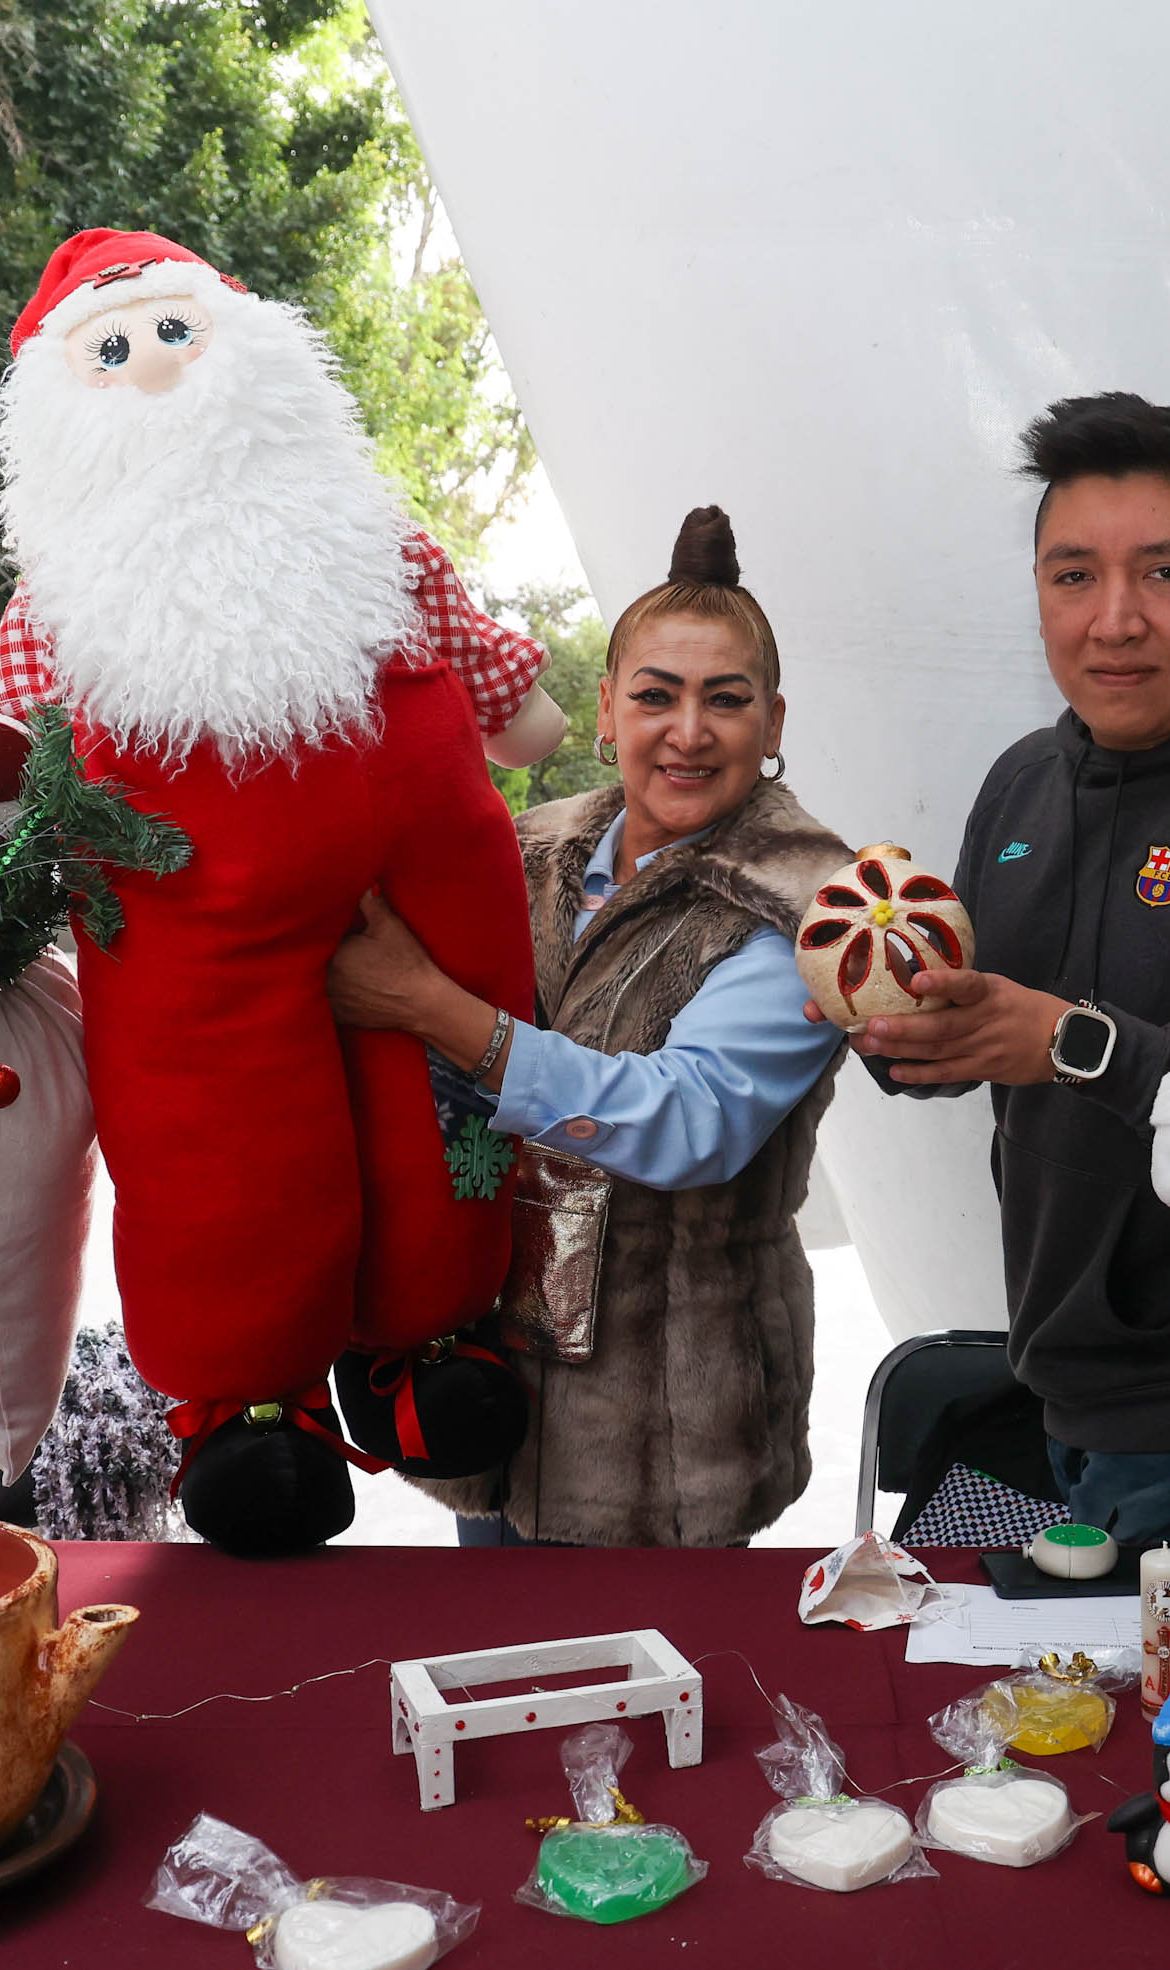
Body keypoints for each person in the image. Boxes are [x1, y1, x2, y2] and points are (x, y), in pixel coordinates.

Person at [327, 505, 854, 1546]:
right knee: (490, 1683)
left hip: (670, 1437)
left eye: (727, 700)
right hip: (488, 1400)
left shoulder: (809, 905)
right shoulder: (521, 849)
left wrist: (437, 1012)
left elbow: (691, 1122)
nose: (688, 731)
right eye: (656, 696)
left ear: (776, 723)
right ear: (607, 709)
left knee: (646, 1699)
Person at [844, 392, 1170, 1549]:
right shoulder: (1023, 783)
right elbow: (985, 1032)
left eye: (1164, 573)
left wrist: (1068, 1039)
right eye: (1072, 577)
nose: (1113, 621)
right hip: (1052, 1377)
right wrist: (904, 1028)